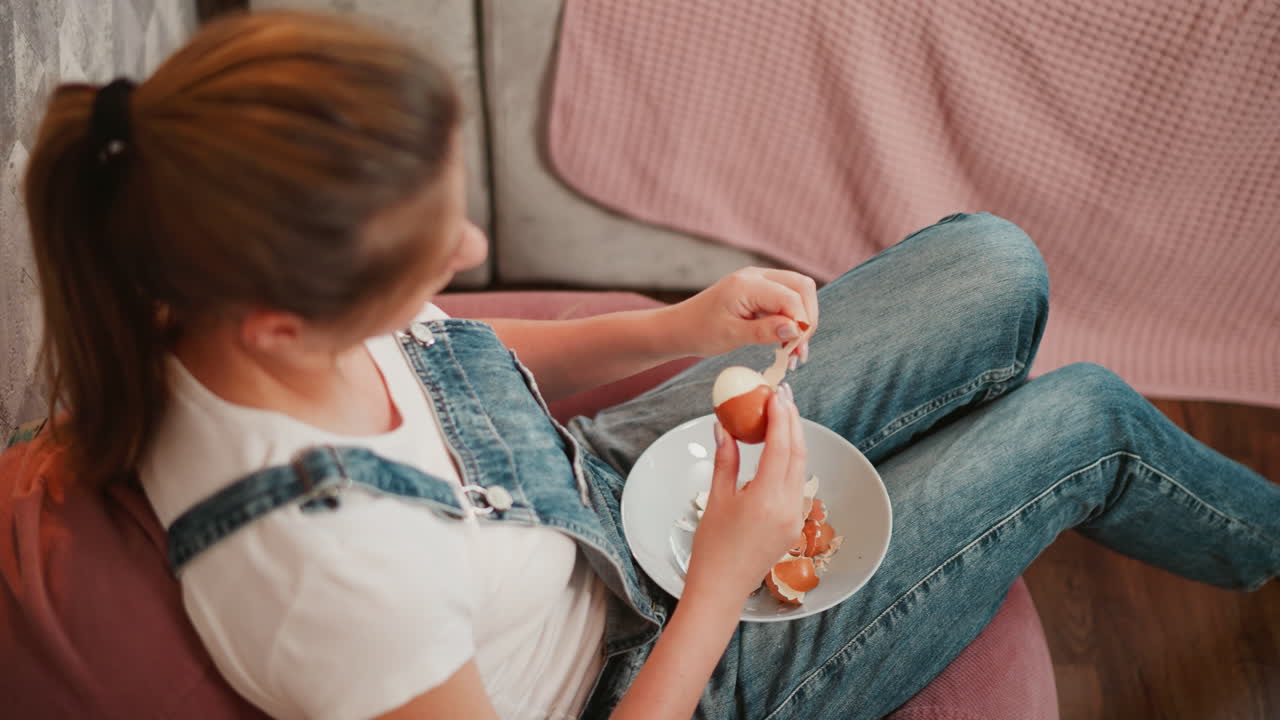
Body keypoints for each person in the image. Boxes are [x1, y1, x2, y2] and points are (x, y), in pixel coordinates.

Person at [22, 10, 1277, 720]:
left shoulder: (200, 298)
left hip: (584, 487)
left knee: (991, 262)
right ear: (282, 327)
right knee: (1090, 421)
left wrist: (680, 328)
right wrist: (727, 578)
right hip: (662, 664)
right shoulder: (333, 584)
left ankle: (963, 458)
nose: (468, 251)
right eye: (427, 256)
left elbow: (456, 365)